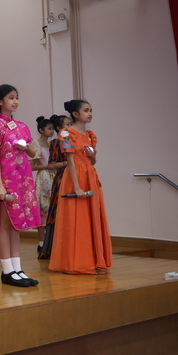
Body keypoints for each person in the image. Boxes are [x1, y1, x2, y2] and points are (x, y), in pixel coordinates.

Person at [49, 100, 112, 275]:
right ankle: (73, 263)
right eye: (86, 110)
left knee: (92, 218)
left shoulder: (90, 135)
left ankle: (95, 260)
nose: (90, 113)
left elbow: (92, 161)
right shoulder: (66, 133)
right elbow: (70, 161)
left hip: (90, 176)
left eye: (91, 110)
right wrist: (76, 187)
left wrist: (93, 156)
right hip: (75, 177)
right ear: (75, 114)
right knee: (75, 219)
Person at [0, 84, 42, 288]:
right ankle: (7, 270)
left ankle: (17, 268)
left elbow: (32, 153)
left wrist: (26, 147)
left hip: (23, 181)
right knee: (4, 225)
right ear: (0, 101)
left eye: (17, 97)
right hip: (7, 182)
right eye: (11, 98)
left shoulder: (22, 126)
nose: (15, 101)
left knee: (17, 226)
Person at [39, 114, 71, 259]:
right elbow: (52, 164)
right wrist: (68, 163)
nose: (70, 127)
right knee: (57, 213)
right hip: (60, 179)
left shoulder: (72, 140)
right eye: (67, 124)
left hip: (71, 177)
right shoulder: (58, 142)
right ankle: (54, 247)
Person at [29, 116, 55, 256]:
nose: (52, 131)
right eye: (49, 128)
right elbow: (31, 166)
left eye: (52, 129)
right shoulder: (36, 144)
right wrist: (48, 166)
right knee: (42, 210)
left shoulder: (52, 144)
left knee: (52, 210)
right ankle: (41, 243)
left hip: (54, 177)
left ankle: (51, 243)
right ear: (41, 130)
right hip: (43, 178)